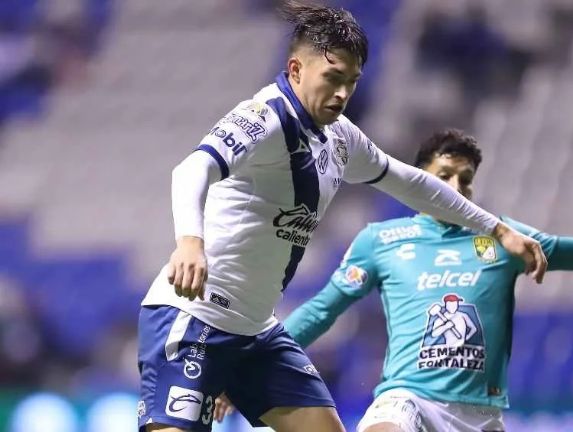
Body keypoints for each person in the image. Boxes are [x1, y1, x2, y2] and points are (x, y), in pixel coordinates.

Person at [136, 2, 548, 432]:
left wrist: (496, 228)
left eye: (351, 82)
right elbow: (192, 169)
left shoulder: (339, 137)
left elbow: (413, 183)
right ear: (296, 70)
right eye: (332, 78)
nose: (342, 94)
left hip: (256, 333)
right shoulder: (263, 119)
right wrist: (190, 242)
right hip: (195, 318)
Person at [213, 129, 573, 431]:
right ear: (418, 182)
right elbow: (321, 309)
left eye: (465, 179)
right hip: (408, 399)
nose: (456, 187)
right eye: (443, 176)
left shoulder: (505, 238)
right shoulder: (382, 240)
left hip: (479, 416)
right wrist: (249, 370)